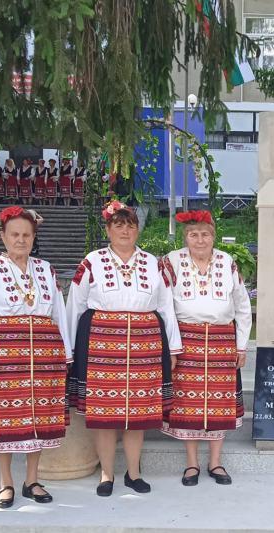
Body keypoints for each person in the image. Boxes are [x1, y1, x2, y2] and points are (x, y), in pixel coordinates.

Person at [66, 200, 182, 497]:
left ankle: (134, 473)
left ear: (138, 229)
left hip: (145, 345)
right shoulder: (91, 261)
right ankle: (106, 474)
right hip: (101, 345)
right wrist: (68, 351)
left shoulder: (154, 263)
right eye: (118, 224)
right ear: (108, 229)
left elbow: (167, 307)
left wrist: (173, 348)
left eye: (130, 224)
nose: (125, 230)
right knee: (104, 414)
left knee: (138, 414)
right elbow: (74, 306)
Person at [0, 206, 72, 508]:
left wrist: (65, 356)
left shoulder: (46, 269)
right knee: (7, 420)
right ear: (3, 236)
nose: (21, 240)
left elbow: (58, 313)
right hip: (4, 357)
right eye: (15, 234)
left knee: (38, 419)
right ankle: (5, 482)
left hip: (45, 355)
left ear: (33, 236)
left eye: (26, 234)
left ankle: (32, 479)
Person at [159, 210, 252, 486]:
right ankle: (192, 464)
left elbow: (242, 306)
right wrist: (172, 347)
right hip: (187, 340)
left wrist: (242, 344)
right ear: (186, 237)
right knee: (187, 404)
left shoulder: (227, 262)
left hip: (222, 342)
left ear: (213, 236)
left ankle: (215, 462)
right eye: (193, 234)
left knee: (219, 404)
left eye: (205, 234)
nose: (199, 240)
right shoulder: (171, 262)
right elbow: (164, 308)